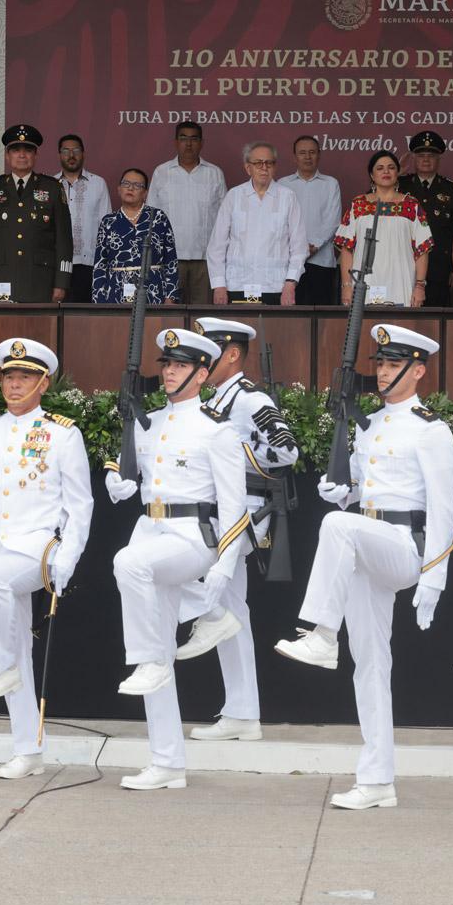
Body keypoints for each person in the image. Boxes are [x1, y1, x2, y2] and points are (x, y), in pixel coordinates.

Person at [273, 324, 453, 810]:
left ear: (418, 371)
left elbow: (445, 508)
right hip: (367, 543)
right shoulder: (366, 423)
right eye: (379, 364)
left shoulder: (431, 429)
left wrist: (434, 577)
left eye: (395, 365)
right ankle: (377, 781)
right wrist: (342, 489)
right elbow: (359, 487)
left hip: (404, 545)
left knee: (337, 526)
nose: (383, 372)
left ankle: (321, 634)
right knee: (371, 664)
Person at [104, 328, 249, 790]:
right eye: (166, 364)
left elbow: (234, 509)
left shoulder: (217, 431)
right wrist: (119, 486)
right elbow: (131, 480)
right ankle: (168, 763)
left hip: (193, 537)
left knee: (128, 564)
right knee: (159, 654)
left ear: (203, 373)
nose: (169, 372)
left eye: (181, 365)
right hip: (151, 530)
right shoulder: (145, 422)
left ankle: (208, 611)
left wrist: (222, 570)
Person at [0, 337, 93, 779]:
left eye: (25, 377)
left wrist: (68, 558)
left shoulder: (62, 433)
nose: (14, 385)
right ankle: (28, 750)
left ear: (44, 383)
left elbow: (80, 504)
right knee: (17, 646)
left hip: (38, 548)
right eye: (9, 377)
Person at [175, 318, 301, 742]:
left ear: (231, 354)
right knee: (233, 614)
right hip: (219, 511)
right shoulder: (215, 399)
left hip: (243, 512)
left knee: (176, 567)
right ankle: (243, 713)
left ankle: (242, 711)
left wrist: (231, 449)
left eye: (211, 351)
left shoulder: (249, 399)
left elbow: (286, 451)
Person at [0, 125, 72, 304]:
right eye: (15, 150)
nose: (22, 155)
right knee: (1, 331)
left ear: (35, 155)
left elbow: (64, 239)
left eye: (28, 150)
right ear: (7, 155)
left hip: (41, 281)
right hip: (0, 277)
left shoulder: (52, 187)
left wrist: (62, 283)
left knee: (39, 332)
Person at [207, 141, 305, 305]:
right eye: (258, 163)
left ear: (275, 167)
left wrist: (290, 284)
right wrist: (218, 286)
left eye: (269, 163)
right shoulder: (234, 196)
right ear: (248, 168)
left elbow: (299, 248)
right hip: (236, 285)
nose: (264, 167)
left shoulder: (288, 197)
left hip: (276, 287)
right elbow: (217, 246)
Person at [335, 150, 432, 307]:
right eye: (380, 168)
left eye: (391, 167)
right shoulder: (358, 205)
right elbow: (347, 249)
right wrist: (346, 286)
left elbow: (422, 249)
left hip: (401, 282)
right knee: (367, 329)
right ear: (372, 176)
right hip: (365, 284)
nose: (386, 171)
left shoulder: (411, 205)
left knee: (398, 329)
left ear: (397, 172)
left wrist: (420, 287)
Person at [149, 122, 226, 305]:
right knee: (170, 317)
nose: (188, 143)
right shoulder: (162, 172)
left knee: (202, 316)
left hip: (205, 260)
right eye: (183, 138)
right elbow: (151, 217)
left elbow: (224, 219)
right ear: (176, 142)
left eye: (194, 138)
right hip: (170, 260)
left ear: (202, 143)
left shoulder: (214, 173)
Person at [91, 168, 178, 304]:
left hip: (153, 289)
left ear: (145, 193)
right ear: (119, 189)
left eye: (137, 185)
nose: (130, 188)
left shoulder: (158, 217)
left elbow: (171, 260)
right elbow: (100, 264)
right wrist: (99, 299)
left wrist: (170, 296)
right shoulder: (108, 221)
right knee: (118, 325)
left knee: (152, 325)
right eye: (126, 183)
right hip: (116, 290)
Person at [397, 130, 453, 305]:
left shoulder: (450, 189)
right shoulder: (400, 185)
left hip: (439, 267)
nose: (426, 159)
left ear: (439, 158)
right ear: (414, 158)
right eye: (421, 155)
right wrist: (396, 174)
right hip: (404, 264)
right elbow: (372, 200)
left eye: (431, 155)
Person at [278, 135, 342, 305]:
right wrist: (298, 248)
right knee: (290, 315)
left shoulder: (330, 184)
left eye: (312, 152)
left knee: (321, 316)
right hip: (288, 261)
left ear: (319, 155)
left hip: (321, 260)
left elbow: (333, 220)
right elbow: (278, 221)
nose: (307, 157)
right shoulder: (282, 184)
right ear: (294, 156)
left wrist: (314, 245)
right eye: (302, 153)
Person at [53, 134, 111, 302]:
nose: (71, 155)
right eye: (66, 151)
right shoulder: (49, 185)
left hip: (89, 264)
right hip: (57, 266)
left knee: (85, 320)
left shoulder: (98, 183)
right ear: (59, 155)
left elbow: (105, 226)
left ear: (83, 154)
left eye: (76, 150)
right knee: (58, 318)